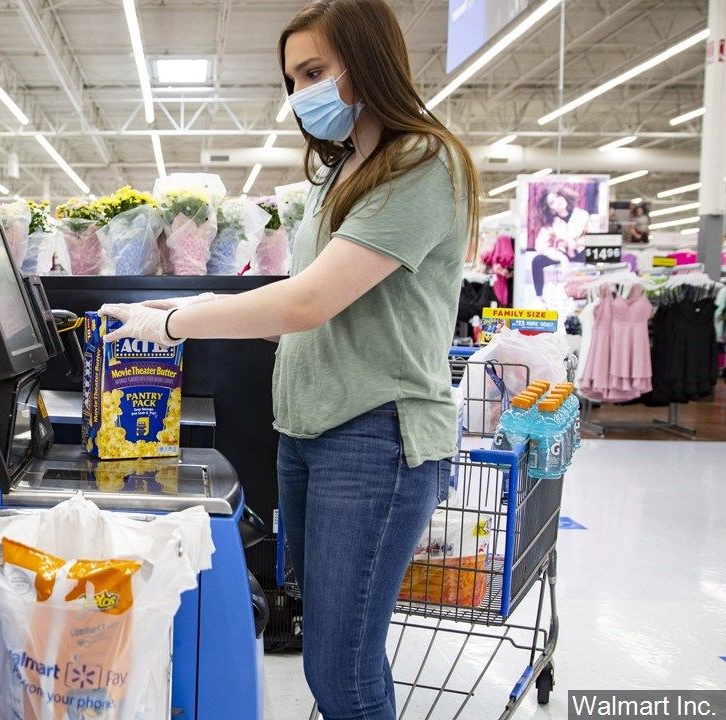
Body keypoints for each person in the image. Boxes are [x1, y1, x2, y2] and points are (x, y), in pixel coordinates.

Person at [97, 1, 480, 717]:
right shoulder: (340, 175)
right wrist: (192, 304)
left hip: (376, 436)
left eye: (314, 71)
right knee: (340, 655)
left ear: (370, 63)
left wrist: (177, 322)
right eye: (291, 77)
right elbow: (300, 304)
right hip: (310, 433)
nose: (300, 92)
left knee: (340, 665)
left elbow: (308, 304)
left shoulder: (423, 164)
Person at [529, 187, 591, 299]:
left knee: (599, 258)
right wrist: (561, 257)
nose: (558, 200)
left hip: (582, 252)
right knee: (536, 261)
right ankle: (540, 297)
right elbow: (540, 245)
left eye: (558, 196)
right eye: (552, 202)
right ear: (551, 209)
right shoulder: (551, 223)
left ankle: (598, 293)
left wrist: (576, 243)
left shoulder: (582, 215)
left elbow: (595, 238)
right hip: (563, 253)